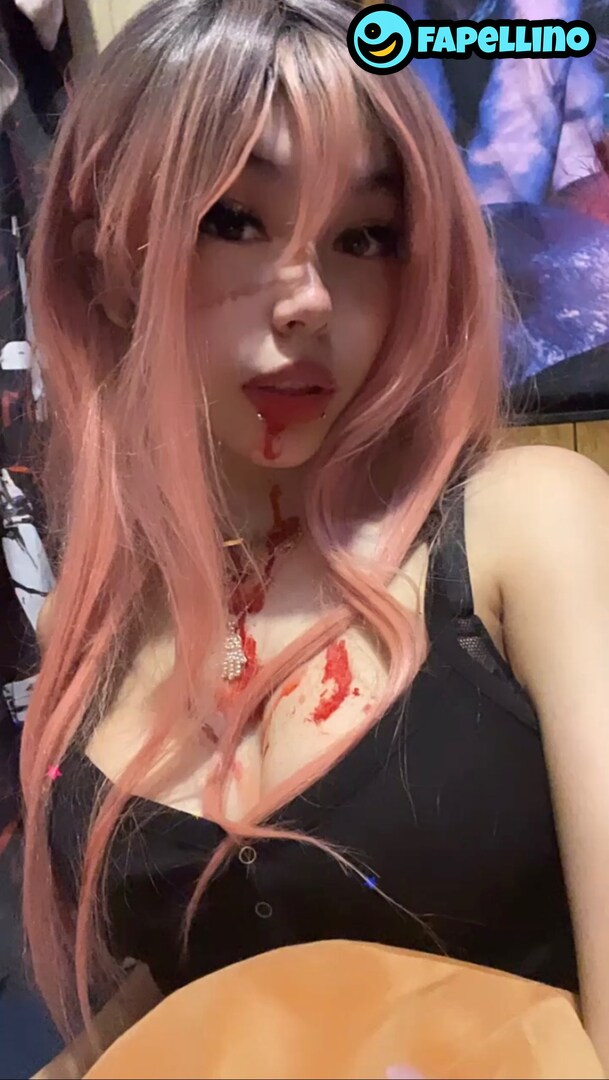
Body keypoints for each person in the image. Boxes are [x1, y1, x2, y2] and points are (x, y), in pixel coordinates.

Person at [18, 0, 609, 1076]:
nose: (307, 300)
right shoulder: (90, 628)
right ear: (107, 257)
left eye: (364, 236)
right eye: (232, 219)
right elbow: (181, 997)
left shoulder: (527, 528)